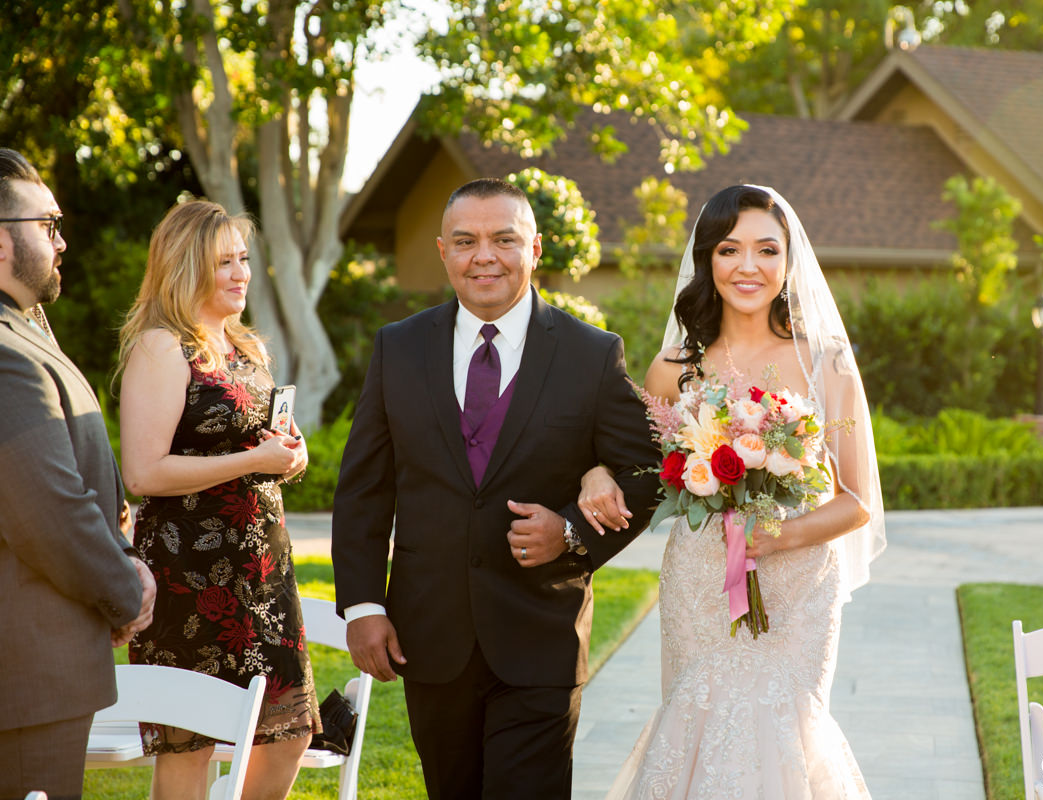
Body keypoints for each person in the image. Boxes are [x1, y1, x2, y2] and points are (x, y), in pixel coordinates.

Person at [330, 177, 662, 799]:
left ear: (535, 249)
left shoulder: (591, 355)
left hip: (541, 635)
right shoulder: (397, 348)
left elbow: (645, 471)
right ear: (443, 251)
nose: (484, 255)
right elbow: (364, 490)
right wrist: (365, 607)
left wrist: (569, 530)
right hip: (430, 633)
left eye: (504, 239)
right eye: (466, 240)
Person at [581, 185, 886, 798]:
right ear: (707, 260)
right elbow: (634, 465)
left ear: (788, 260)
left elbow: (858, 500)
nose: (749, 267)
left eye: (766, 250)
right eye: (730, 250)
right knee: (698, 725)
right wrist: (594, 473)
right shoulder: (675, 368)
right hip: (701, 577)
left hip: (799, 584)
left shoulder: (827, 360)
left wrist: (781, 536)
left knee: (787, 730)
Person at [117, 200, 317, 799]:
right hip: (189, 577)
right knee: (191, 748)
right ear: (184, 269)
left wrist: (290, 450)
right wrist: (256, 461)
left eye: (243, 259)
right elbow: (142, 471)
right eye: (223, 262)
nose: (240, 274)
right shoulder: (161, 346)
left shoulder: (243, 346)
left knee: (288, 733)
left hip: (262, 575)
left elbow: (254, 441)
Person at [0, 148, 154, 799]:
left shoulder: (23, 328)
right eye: (49, 224)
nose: (62, 241)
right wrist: (125, 590)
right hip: (24, 676)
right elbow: (46, 510)